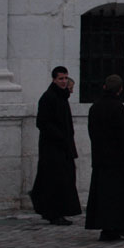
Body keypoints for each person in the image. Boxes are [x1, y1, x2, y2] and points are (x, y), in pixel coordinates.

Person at [85, 75, 124, 242]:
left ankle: (111, 227)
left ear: (104, 87)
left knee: (105, 195)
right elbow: (123, 135)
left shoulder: (95, 107)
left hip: (102, 159)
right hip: (118, 160)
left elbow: (92, 133)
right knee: (123, 192)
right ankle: (118, 226)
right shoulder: (118, 107)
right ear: (120, 89)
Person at [29, 65, 82, 226]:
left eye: (66, 78)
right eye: (61, 78)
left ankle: (57, 211)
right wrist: (60, 137)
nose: (64, 81)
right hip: (52, 148)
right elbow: (43, 123)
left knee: (63, 179)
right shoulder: (48, 97)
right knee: (53, 180)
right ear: (54, 79)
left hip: (62, 146)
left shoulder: (61, 97)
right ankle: (53, 212)